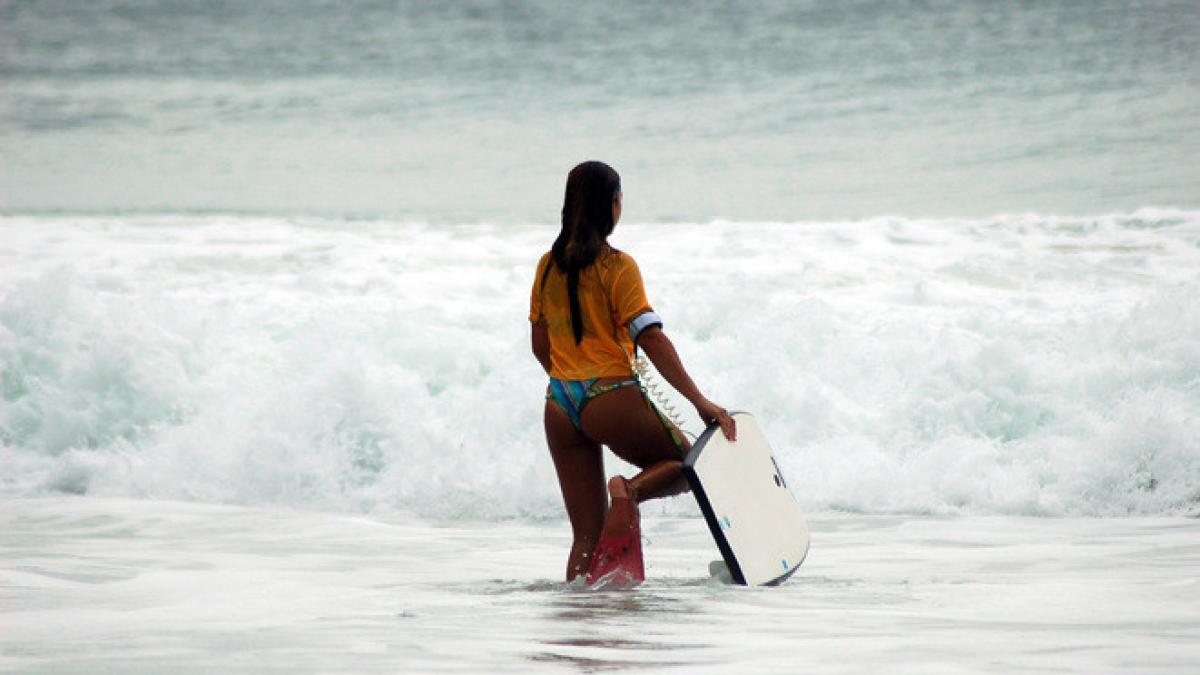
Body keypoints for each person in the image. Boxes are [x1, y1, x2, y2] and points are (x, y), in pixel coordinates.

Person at [529, 160, 737, 582]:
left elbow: (540, 344)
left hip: (559, 404)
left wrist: (574, 378)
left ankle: (578, 620)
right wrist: (700, 401)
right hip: (609, 395)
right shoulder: (617, 267)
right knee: (689, 464)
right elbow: (652, 339)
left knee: (585, 535)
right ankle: (631, 491)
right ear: (612, 205)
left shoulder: (547, 266)